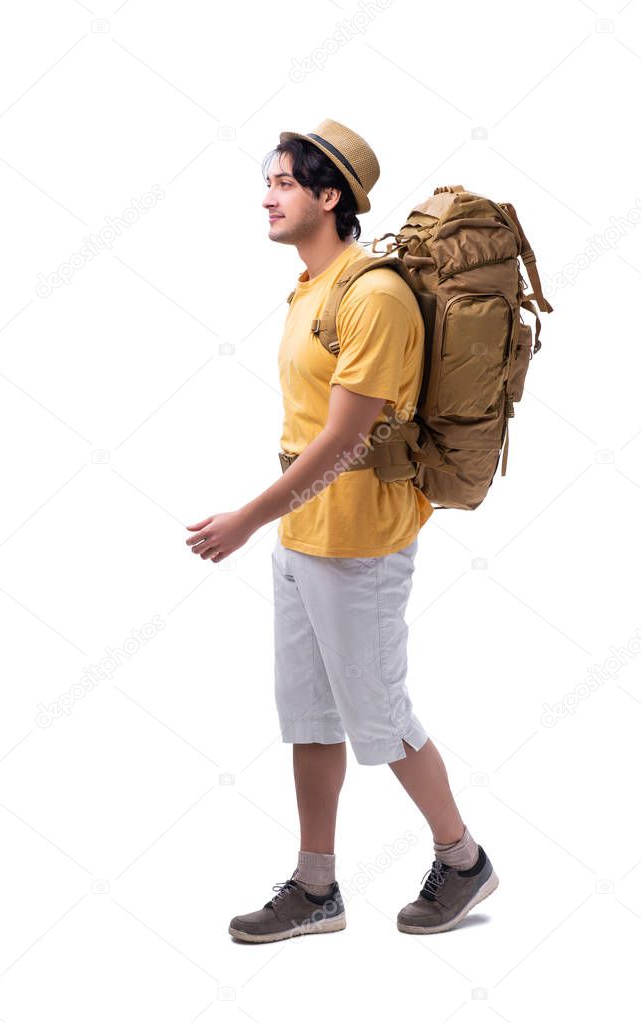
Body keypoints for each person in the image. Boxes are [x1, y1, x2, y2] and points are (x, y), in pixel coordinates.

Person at [185, 118, 499, 943]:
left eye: (284, 182)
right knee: (310, 715)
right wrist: (274, 525)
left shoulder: (375, 294)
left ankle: (462, 860)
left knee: (379, 713)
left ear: (330, 197)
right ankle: (316, 885)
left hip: (359, 537)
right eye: (270, 179)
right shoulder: (311, 285)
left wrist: (246, 520)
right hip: (304, 533)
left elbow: (348, 437)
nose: (268, 194)